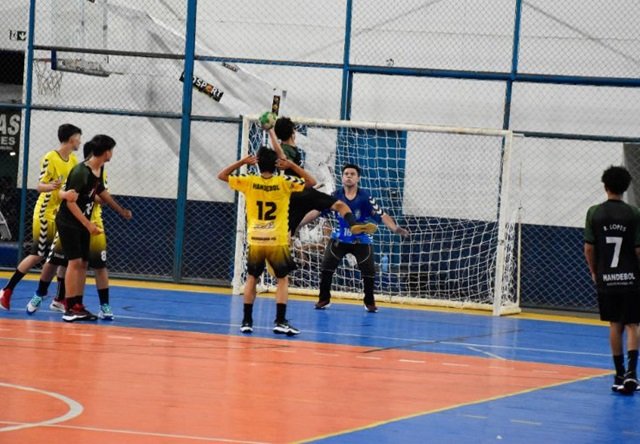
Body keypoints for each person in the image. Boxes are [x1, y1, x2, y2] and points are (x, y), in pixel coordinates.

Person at [218, 146, 315, 335]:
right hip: (276, 239)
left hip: (256, 239)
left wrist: (242, 162)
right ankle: (280, 321)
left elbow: (222, 175)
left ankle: (246, 321)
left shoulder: (249, 181)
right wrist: (291, 165)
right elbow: (312, 182)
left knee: (252, 278)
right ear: (277, 164)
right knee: (282, 279)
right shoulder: (284, 181)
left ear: (258, 163)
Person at [303, 163, 409, 312]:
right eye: (346, 174)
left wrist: (395, 228)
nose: (349, 176)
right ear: (342, 177)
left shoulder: (365, 198)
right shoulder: (334, 196)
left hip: (361, 240)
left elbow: (382, 215)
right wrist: (298, 224)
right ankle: (324, 299)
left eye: (352, 174)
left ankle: (369, 302)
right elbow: (317, 211)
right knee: (326, 268)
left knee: (369, 273)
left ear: (358, 178)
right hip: (339, 239)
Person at [0, 124, 81, 311]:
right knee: (37, 254)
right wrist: (52, 187)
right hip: (45, 213)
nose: (80, 141)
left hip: (62, 214)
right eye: (78, 138)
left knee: (63, 256)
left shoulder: (73, 160)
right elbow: (39, 186)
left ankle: (59, 299)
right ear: (71, 139)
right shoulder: (51, 157)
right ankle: (7, 290)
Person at [56, 135, 132, 322]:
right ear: (106, 152)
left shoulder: (99, 168)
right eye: (111, 150)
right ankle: (69, 308)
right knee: (74, 262)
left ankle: (78, 304)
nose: (112, 153)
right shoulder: (81, 172)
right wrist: (88, 224)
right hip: (69, 222)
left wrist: (120, 210)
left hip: (82, 222)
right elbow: (70, 202)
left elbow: (101, 191)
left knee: (83, 263)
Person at [38, 142, 116, 320]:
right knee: (61, 261)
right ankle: (55, 299)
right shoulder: (80, 171)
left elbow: (99, 198)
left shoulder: (99, 172)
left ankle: (95, 305)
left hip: (92, 223)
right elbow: (65, 194)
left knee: (93, 265)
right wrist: (71, 195)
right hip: (74, 222)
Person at [268, 117, 377, 236]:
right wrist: (270, 131)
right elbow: (281, 153)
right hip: (300, 191)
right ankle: (353, 224)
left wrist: (271, 131)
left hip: (291, 197)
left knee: (289, 232)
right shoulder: (286, 149)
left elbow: (278, 149)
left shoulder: (288, 148)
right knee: (340, 205)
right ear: (293, 131)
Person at [584, 165, 640, 394]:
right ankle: (632, 374)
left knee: (615, 325)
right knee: (633, 324)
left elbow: (589, 248)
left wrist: (594, 271)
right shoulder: (634, 213)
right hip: (630, 278)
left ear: (605, 186)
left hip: (606, 277)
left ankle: (618, 375)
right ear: (625, 188)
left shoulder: (594, 213)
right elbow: (638, 250)